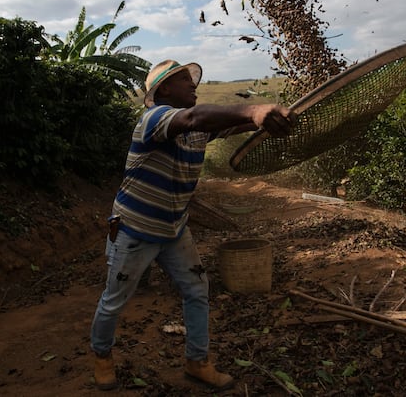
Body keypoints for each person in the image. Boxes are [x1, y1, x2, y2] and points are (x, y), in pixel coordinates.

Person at [90, 59, 297, 391]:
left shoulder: (196, 127)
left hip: (173, 229)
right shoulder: (154, 119)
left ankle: (197, 362)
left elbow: (229, 124)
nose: (194, 86)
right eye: (185, 80)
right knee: (115, 299)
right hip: (135, 229)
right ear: (165, 89)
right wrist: (253, 109)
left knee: (197, 291)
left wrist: (266, 118)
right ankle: (101, 357)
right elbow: (194, 117)